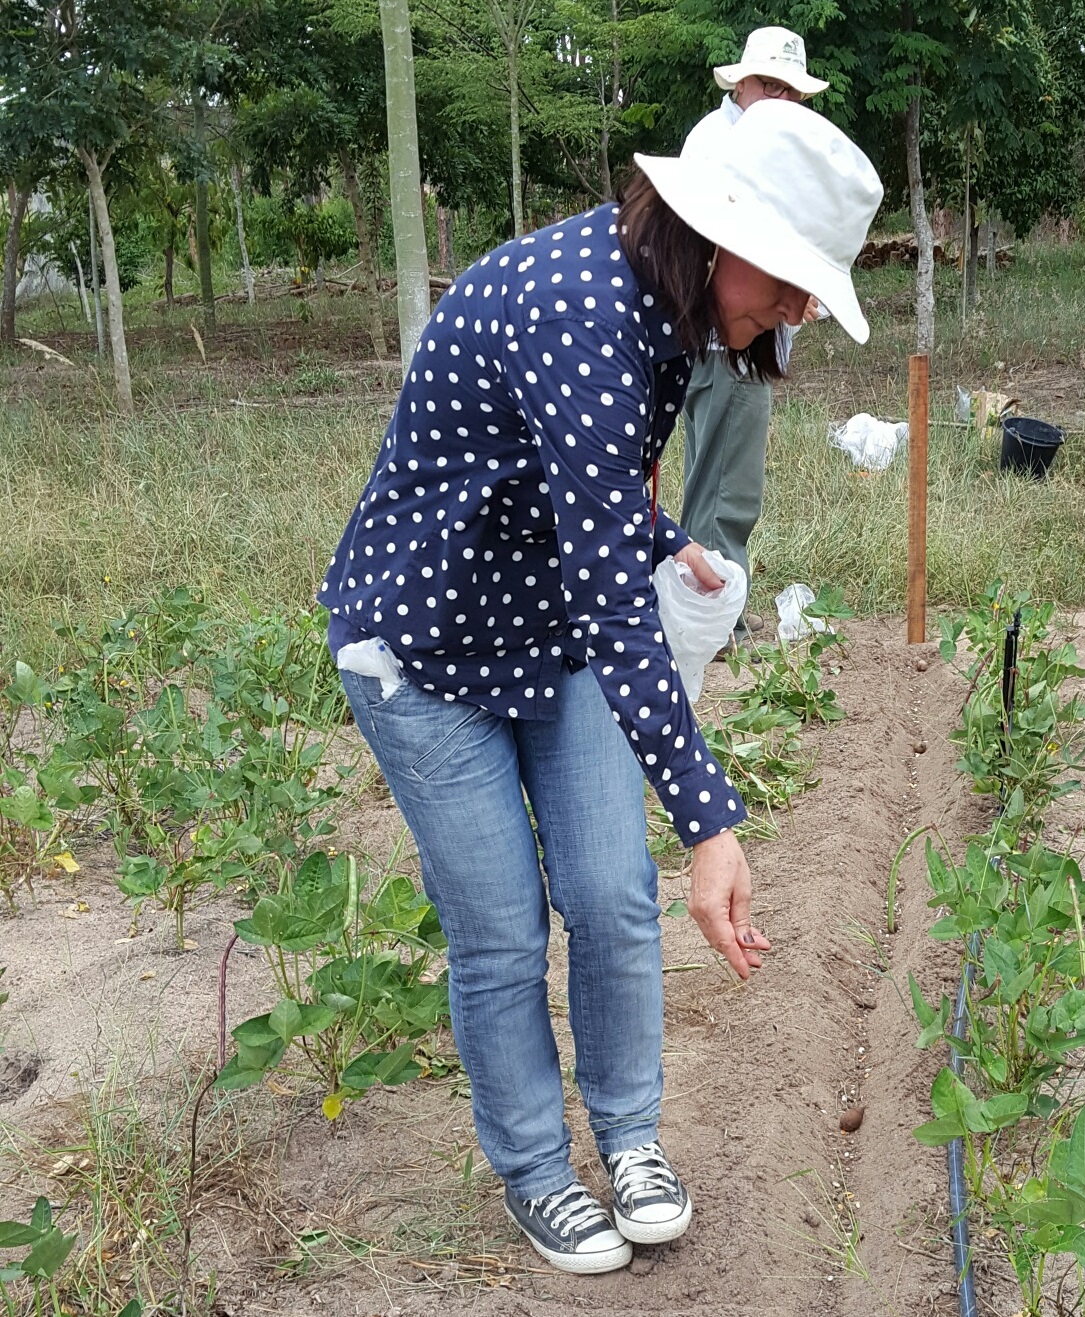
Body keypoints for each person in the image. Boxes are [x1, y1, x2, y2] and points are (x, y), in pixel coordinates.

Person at [317, 100, 882, 1276]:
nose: (800, 310)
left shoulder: (664, 306)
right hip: (427, 649)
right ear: (714, 230)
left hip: (545, 623)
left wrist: (656, 527)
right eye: (788, 281)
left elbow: (570, 478)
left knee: (614, 897)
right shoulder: (582, 306)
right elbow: (610, 593)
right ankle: (536, 1170)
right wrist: (713, 821)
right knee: (503, 930)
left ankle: (628, 1142)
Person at [678, 27, 830, 643]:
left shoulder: (730, 138)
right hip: (729, 342)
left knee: (710, 472)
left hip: (727, 336)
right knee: (727, 488)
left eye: (793, 91)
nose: (784, 101)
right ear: (742, 84)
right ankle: (716, 619)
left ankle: (703, 606)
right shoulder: (727, 146)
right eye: (772, 86)